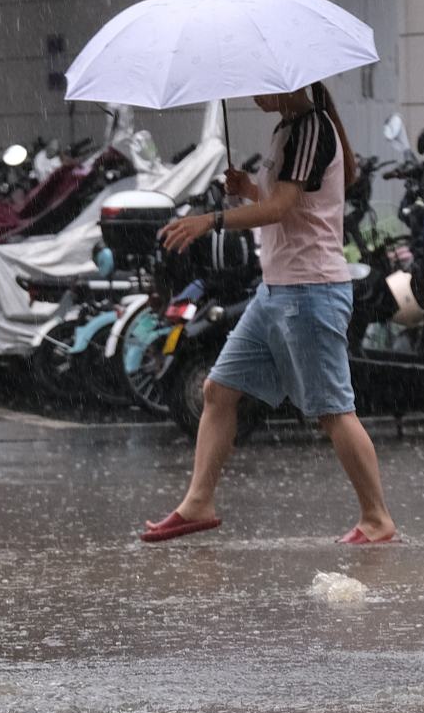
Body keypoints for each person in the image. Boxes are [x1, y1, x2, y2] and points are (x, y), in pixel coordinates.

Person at [144, 82, 397, 545]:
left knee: (333, 410)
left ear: (293, 83)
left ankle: (377, 519)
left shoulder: (313, 129)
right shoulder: (287, 129)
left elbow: (281, 209)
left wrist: (212, 221)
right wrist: (246, 188)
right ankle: (198, 502)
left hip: (311, 291)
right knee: (218, 391)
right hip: (277, 289)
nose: (253, 92)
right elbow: (286, 200)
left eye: (263, 83)